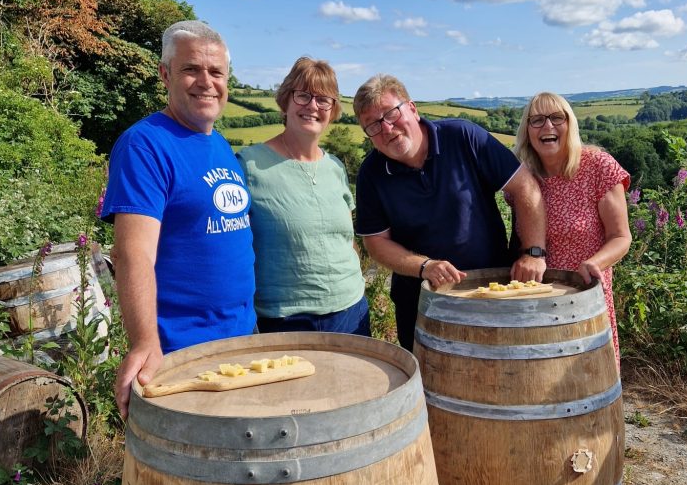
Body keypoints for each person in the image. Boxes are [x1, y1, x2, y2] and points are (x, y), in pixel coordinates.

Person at [102, 20, 256, 418]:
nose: (206, 81)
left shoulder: (219, 143)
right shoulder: (146, 144)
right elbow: (132, 253)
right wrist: (144, 342)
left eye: (216, 72)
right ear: (165, 74)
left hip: (240, 339)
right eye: (192, 69)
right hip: (182, 350)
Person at [353, 74, 547, 350]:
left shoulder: (463, 137)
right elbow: (376, 242)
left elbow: (525, 187)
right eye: (372, 125)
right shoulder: (371, 173)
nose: (386, 128)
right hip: (422, 304)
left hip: (492, 294)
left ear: (412, 108)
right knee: (430, 385)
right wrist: (424, 266)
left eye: (390, 114)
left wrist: (533, 252)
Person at [236, 57, 370, 336]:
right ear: (285, 100)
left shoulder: (335, 167)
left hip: (350, 312)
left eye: (324, 100)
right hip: (284, 320)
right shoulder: (248, 165)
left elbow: (346, 240)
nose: (312, 106)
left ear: (332, 111)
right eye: (303, 95)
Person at [514, 91, 632, 364]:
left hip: (584, 295)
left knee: (588, 379)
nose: (548, 126)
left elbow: (621, 236)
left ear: (570, 124)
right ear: (527, 130)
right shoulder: (522, 178)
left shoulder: (598, 167)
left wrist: (595, 262)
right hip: (537, 299)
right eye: (537, 120)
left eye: (557, 118)